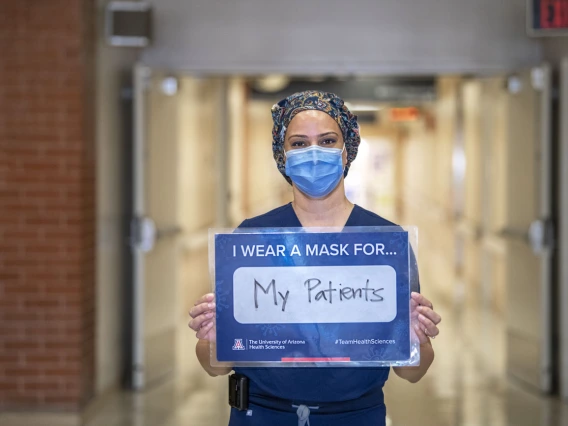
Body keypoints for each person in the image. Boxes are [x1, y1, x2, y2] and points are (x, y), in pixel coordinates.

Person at [189, 91, 441, 426]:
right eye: (298, 143)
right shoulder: (252, 240)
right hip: (261, 415)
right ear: (282, 154)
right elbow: (214, 366)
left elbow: (412, 372)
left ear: (346, 150)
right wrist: (213, 336)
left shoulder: (384, 244)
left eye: (326, 140)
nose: (313, 153)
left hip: (356, 416)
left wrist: (414, 339)